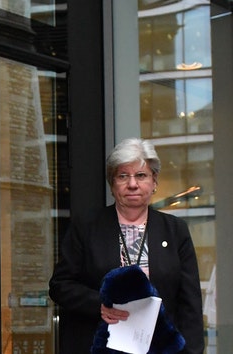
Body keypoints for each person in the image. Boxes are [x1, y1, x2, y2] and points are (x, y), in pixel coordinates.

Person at [49, 138, 204, 353]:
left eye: (141, 175)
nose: (132, 184)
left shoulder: (175, 230)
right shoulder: (86, 227)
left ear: (154, 181)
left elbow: (190, 304)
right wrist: (100, 304)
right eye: (123, 176)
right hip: (101, 344)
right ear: (112, 184)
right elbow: (60, 285)